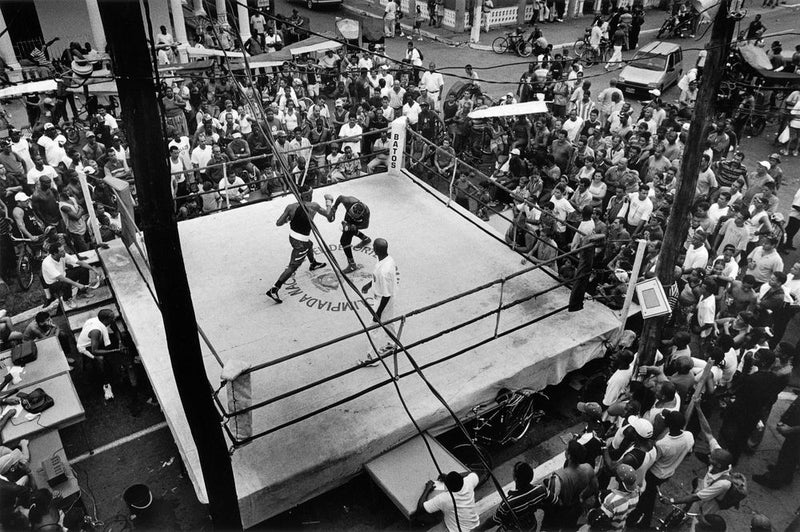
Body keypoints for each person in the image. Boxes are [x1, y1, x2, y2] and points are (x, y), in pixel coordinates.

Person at [664, 407, 734, 526]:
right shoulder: (719, 453)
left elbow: (696, 497)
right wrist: (698, 407)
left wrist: (671, 501)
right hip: (703, 490)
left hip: (708, 504)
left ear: (717, 465)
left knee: (697, 521)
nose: (708, 457)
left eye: (711, 458)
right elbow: (708, 432)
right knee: (688, 506)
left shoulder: (723, 484)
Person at [628, 410, 694, 528]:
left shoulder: (663, 444)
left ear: (668, 425)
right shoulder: (689, 436)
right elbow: (689, 453)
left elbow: (652, 459)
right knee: (649, 495)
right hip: (669, 472)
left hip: (655, 473)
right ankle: (641, 519)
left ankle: (640, 520)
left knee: (646, 498)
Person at [266, 185, 330, 303]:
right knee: (293, 266)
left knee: (309, 244)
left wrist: (289, 219)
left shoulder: (290, 207)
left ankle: (313, 263)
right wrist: (329, 202)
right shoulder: (314, 206)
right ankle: (275, 288)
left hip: (293, 237)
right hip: (301, 242)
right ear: (308, 195)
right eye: (311, 194)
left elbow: (278, 223)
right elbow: (330, 216)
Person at [481, 461, 554, 531]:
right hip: (532, 526)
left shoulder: (507, 504)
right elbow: (555, 501)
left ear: (515, 478)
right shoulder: (541, 490)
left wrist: (478, 529)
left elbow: (494, 520)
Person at [76, 309, 129, 401]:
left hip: (96, 342)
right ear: (106, 319)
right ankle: (106, 385)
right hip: (86, 348)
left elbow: (116, 330)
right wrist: (114, 350)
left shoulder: (104, 321)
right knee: (100, 360)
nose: (115, 318)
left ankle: (119, 368)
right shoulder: (96, 331)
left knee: (116, 342)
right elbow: (95, 350)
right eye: (113, 317)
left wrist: (120, 342)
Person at [360, 238, 400, 362]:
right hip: (386, 296)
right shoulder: (387, 259)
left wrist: (377, 313)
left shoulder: (384, 271)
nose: (373, 249)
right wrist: (369, 285)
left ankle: (372, 358)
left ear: (377, 250)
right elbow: (377, 277)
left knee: (373, 329)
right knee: (389, 322)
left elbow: (386, 295)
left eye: (374, 247)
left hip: (383, 300)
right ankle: (392, 343)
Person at [416, 470, 480, 532]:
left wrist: (427, 488)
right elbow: (472, 473)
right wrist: (451, 478)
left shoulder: (444, 498)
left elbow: (421, 508)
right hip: (473, 523)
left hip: (457, 529)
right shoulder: (468, 482)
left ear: (447, 485)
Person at [41, 244, 97, 310]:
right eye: (61, 251)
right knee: (66, 284)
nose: (64, 252)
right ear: (55, 254)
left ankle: (81, 293)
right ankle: (67, 299)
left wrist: (94, 269)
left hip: (63, 275)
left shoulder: (63, 255)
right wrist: (77, 284)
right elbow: (61, 278)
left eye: (63, 250)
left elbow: (80, 262)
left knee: (83, 270)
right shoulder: (48, 263)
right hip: (53, 282)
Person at [327, 196, 372, 274]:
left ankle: (352, 265)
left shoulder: (366, 212)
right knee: (348, 229)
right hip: (348, 219)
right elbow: (340, 197)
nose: (352, 216)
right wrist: (334, 207)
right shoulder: (348, 201)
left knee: (344, 242)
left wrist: (355, 227)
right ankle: (365, 239)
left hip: (358, 223)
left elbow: (365, 225)